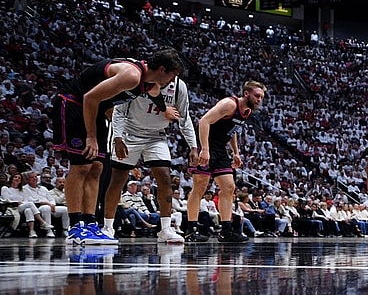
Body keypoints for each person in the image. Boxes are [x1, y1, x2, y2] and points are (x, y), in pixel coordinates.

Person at [52, 47, 183, 245]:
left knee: (97, 167)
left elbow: (149, 99)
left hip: (97, 110)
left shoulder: (148, 84)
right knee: (82, 166)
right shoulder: (132, 75)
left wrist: (163, 111)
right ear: (162, 69)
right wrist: (91, 136)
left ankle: (89, 223)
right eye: (172, 76)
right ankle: (74, 226)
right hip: (75, 103)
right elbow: (90, 97)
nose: (172, 82)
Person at [102, 76, 197, 243]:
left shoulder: (178, 86)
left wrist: (194, 146)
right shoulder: (136, 80)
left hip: (156, 135)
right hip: (129, 133)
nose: (171, 78)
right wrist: (117, 138)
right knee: (117, 179)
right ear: (161, 70)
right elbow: (119, 111)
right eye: (169, 72)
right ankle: (108, 228)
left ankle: (165, 229)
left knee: (165, 177)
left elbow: (184, 117)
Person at [183, 80, 266, 243]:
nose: (259, 100)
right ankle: (190, 230)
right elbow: (204, 121)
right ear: (246, 93)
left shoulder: (246, 111)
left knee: (229, 187)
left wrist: (236, 152)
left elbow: (233, 129)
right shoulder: (229, 104)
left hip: (220, 149)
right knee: (200, 187)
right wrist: (204, 149)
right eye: (257, 96)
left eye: (262, 97)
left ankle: (226, 230)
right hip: (206, 145)